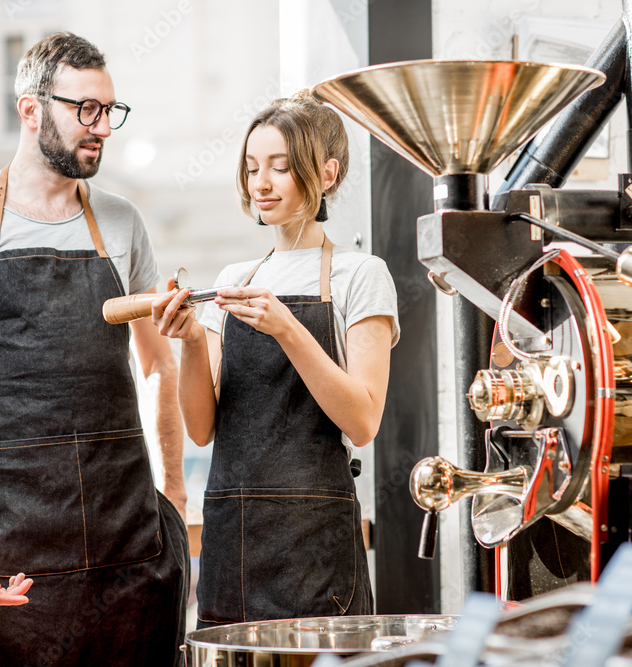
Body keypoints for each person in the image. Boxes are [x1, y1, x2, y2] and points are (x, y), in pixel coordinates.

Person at [0, 32, 188, 666]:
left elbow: (156, 366)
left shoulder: (122, 223)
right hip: (15, 563)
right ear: (30, 109)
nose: (101, 127)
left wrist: (172, 497)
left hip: (132, 553)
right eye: (83, 109)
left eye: (108, 110)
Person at [152, 92, 399, 627]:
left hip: (316, 546)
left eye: (280, 168)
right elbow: (200, 428)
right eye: (251, 167)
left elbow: (363, 420)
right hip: (232, 538)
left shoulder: (362, 274)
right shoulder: (232, 281)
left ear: (327, 173)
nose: (260, 183)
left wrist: (288, 329)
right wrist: (191, 341)